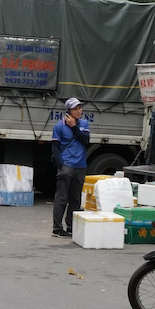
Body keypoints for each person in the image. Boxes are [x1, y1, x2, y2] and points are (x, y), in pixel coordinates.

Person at [51, 97, 90, 237]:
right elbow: (55, 148)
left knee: (75, 198)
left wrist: (74, 127)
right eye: (75, 109)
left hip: (81, 166)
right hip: (66, 166)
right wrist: (61, 164)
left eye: (80, 108)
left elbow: (85, 141)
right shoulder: (59, 126)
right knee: (61, 197)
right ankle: (57, 228)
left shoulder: (84, 124)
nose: (79, 111)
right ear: (69, 111)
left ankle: (71, 226)